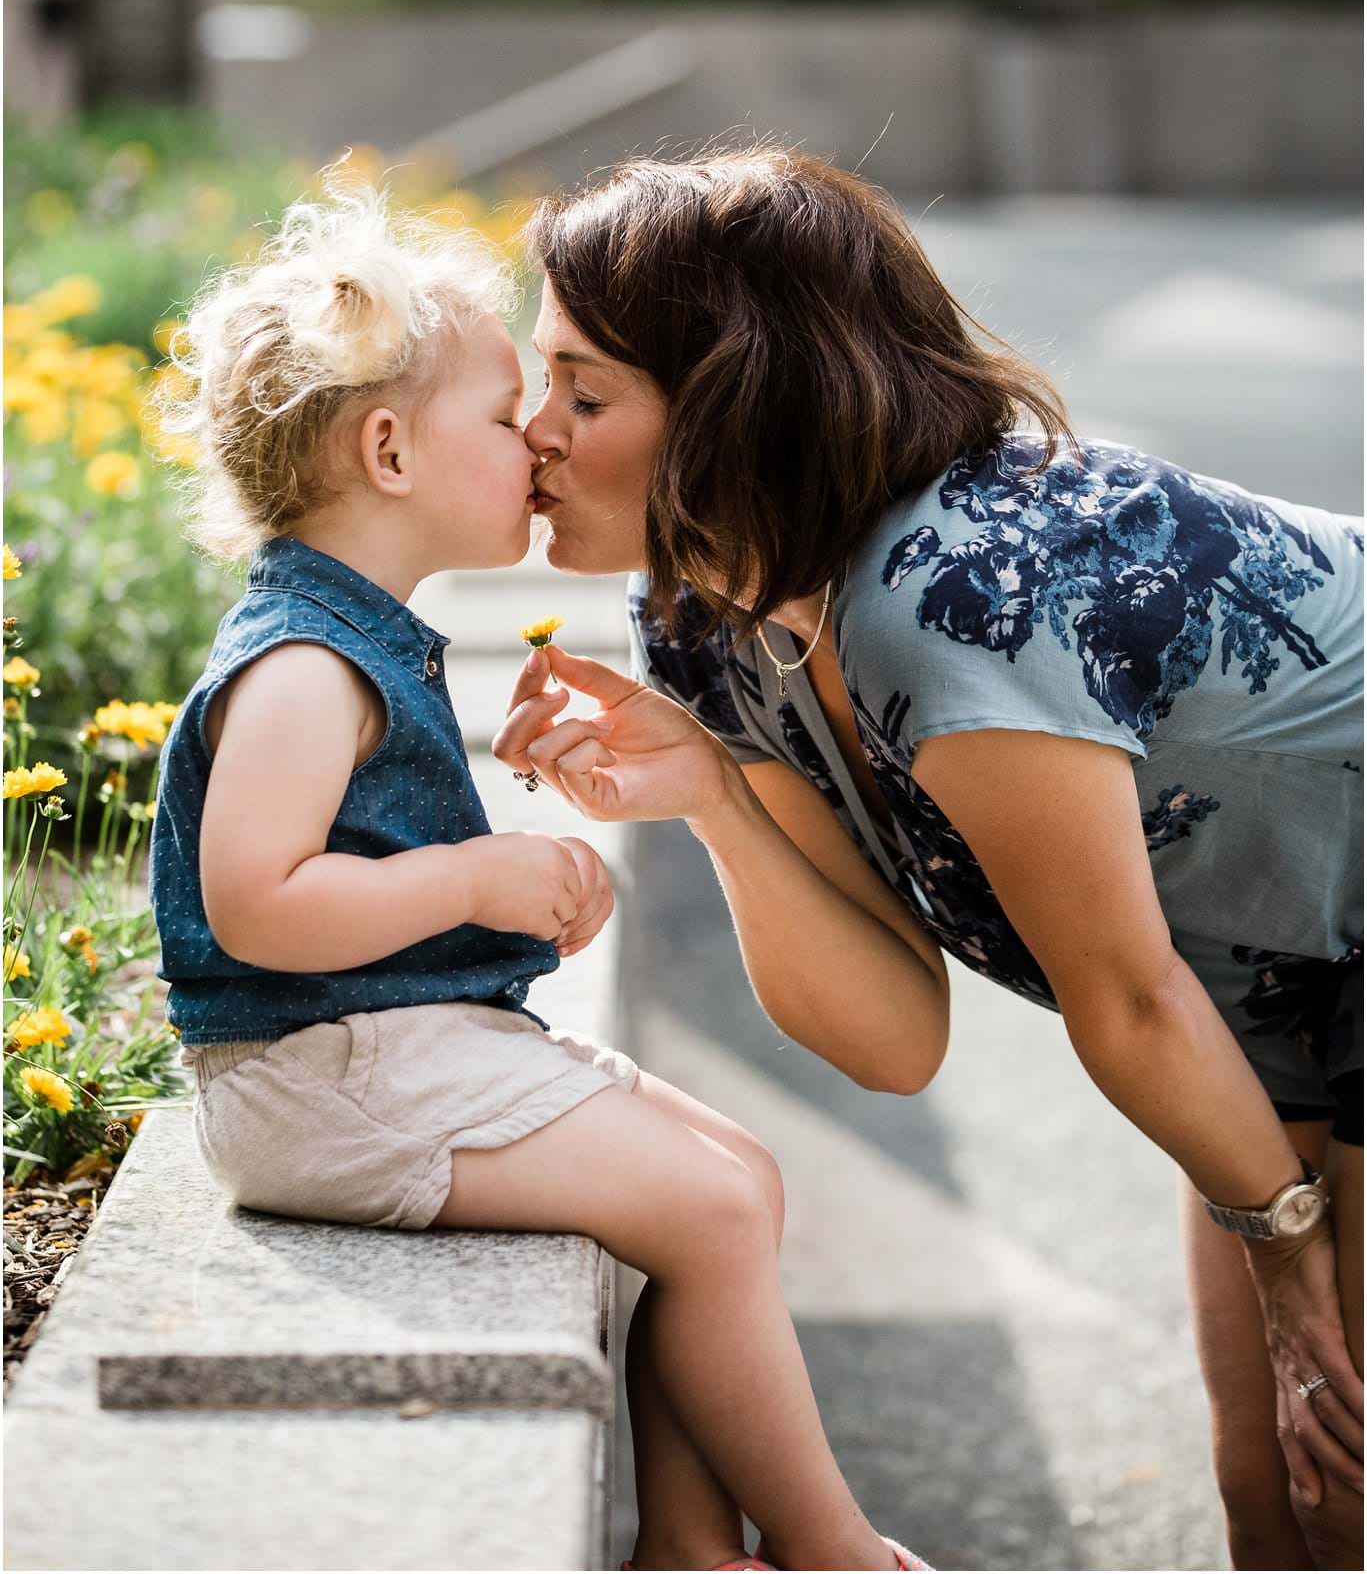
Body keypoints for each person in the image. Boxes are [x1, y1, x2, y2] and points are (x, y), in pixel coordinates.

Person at [494, 148, 1364, 1573]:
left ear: (740, 411)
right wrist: (711, 796)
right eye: (546, 379)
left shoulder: (955, 592)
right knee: (1269, 1488)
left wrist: (1286, 1261)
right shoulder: (708, 620)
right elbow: (892, 1038)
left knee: (1342, 1483)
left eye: (585, 396)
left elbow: (1131, 999)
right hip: (1286, 992)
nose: (534, 431)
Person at [145, 178, 931, 1574]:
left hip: (377, 1054)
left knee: (735, 1177)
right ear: (388, 448)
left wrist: (507, 872)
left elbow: (351, 870)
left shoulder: (356, 635)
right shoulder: (304, 663)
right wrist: (469, 882)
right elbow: (251, 903)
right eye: (510, 416)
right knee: (706, 1208)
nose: (538, 447)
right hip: (318, 1080)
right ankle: (831, 1551)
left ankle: (692, 1542)